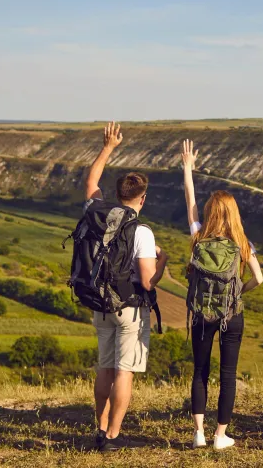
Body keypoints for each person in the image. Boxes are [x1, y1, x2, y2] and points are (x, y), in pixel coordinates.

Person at [83, 121, 169, 452]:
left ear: (118, 193)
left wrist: (108, 146)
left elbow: (91, 181)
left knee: (104, 367)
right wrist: (163, 262)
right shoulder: (142, 232)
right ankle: (113, 436)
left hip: (99, 302)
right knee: (124, 371)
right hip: (129, 308)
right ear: (142, 198)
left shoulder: (98, 212)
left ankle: (100, 426)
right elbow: (147, 280)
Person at [180, 139, 263, 450]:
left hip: (202, 313)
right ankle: (220, 436)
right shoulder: (243, 243)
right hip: (231, 314)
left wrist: (188, 168)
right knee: (227, 374)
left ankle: (198, 433)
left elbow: (189, 200)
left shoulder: (198, 237)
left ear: (210, 213)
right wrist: (238, 291)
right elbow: (259, 277)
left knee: (200, 370)